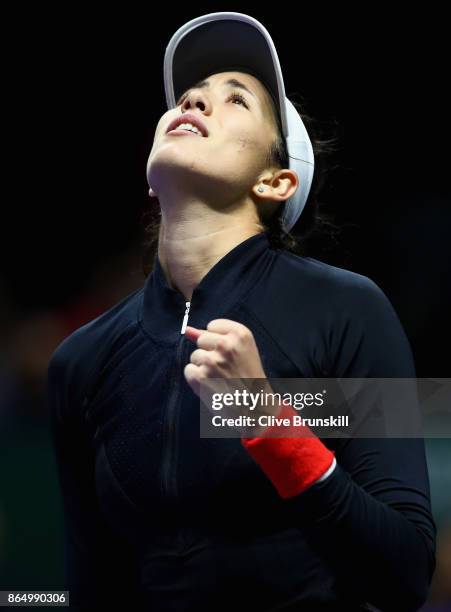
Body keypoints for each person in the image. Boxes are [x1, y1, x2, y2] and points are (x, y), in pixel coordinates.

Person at [48, 12, 436, 611]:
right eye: (188, 97)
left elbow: (405, 574)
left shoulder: (350, 310)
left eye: (236, 100)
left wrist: (264, 418)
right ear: (151, 178)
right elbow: (91, 591)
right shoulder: (80, 360)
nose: (197, 104)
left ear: (276, 181)